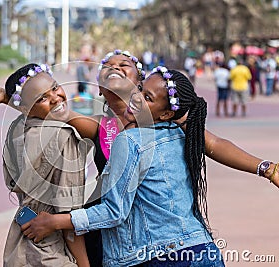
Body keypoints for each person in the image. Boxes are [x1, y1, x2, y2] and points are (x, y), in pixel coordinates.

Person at [0, 49, 279, 266]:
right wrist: (10, 96)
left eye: (124, 64)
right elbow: (49, 108)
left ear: (139, 81)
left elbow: (212, 143)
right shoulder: (100, 126)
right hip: (120, 249)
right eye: (107, 64)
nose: (114, 67)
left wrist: (267, 168)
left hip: (170, 246)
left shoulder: (168, 125)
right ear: (99, 87)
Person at [21, 67, 232, 266]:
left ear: (166, 113)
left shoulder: (130, 140)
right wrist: (264, 168)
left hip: (161, 256)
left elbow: (114, 212)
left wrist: (54, 222)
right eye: (140, 90)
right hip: (202, 249)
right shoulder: (179, 132)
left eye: (147, 98)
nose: (137, 98)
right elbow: (58, 111)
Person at [0, 63, 90, 267]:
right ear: (24, 107)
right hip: (52, 251)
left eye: (55, 88)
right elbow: (69, 215)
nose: (56, 98)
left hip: (20, 244)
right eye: (42, 98)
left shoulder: (16, 128)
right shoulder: (62, 136)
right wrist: (84, 264)